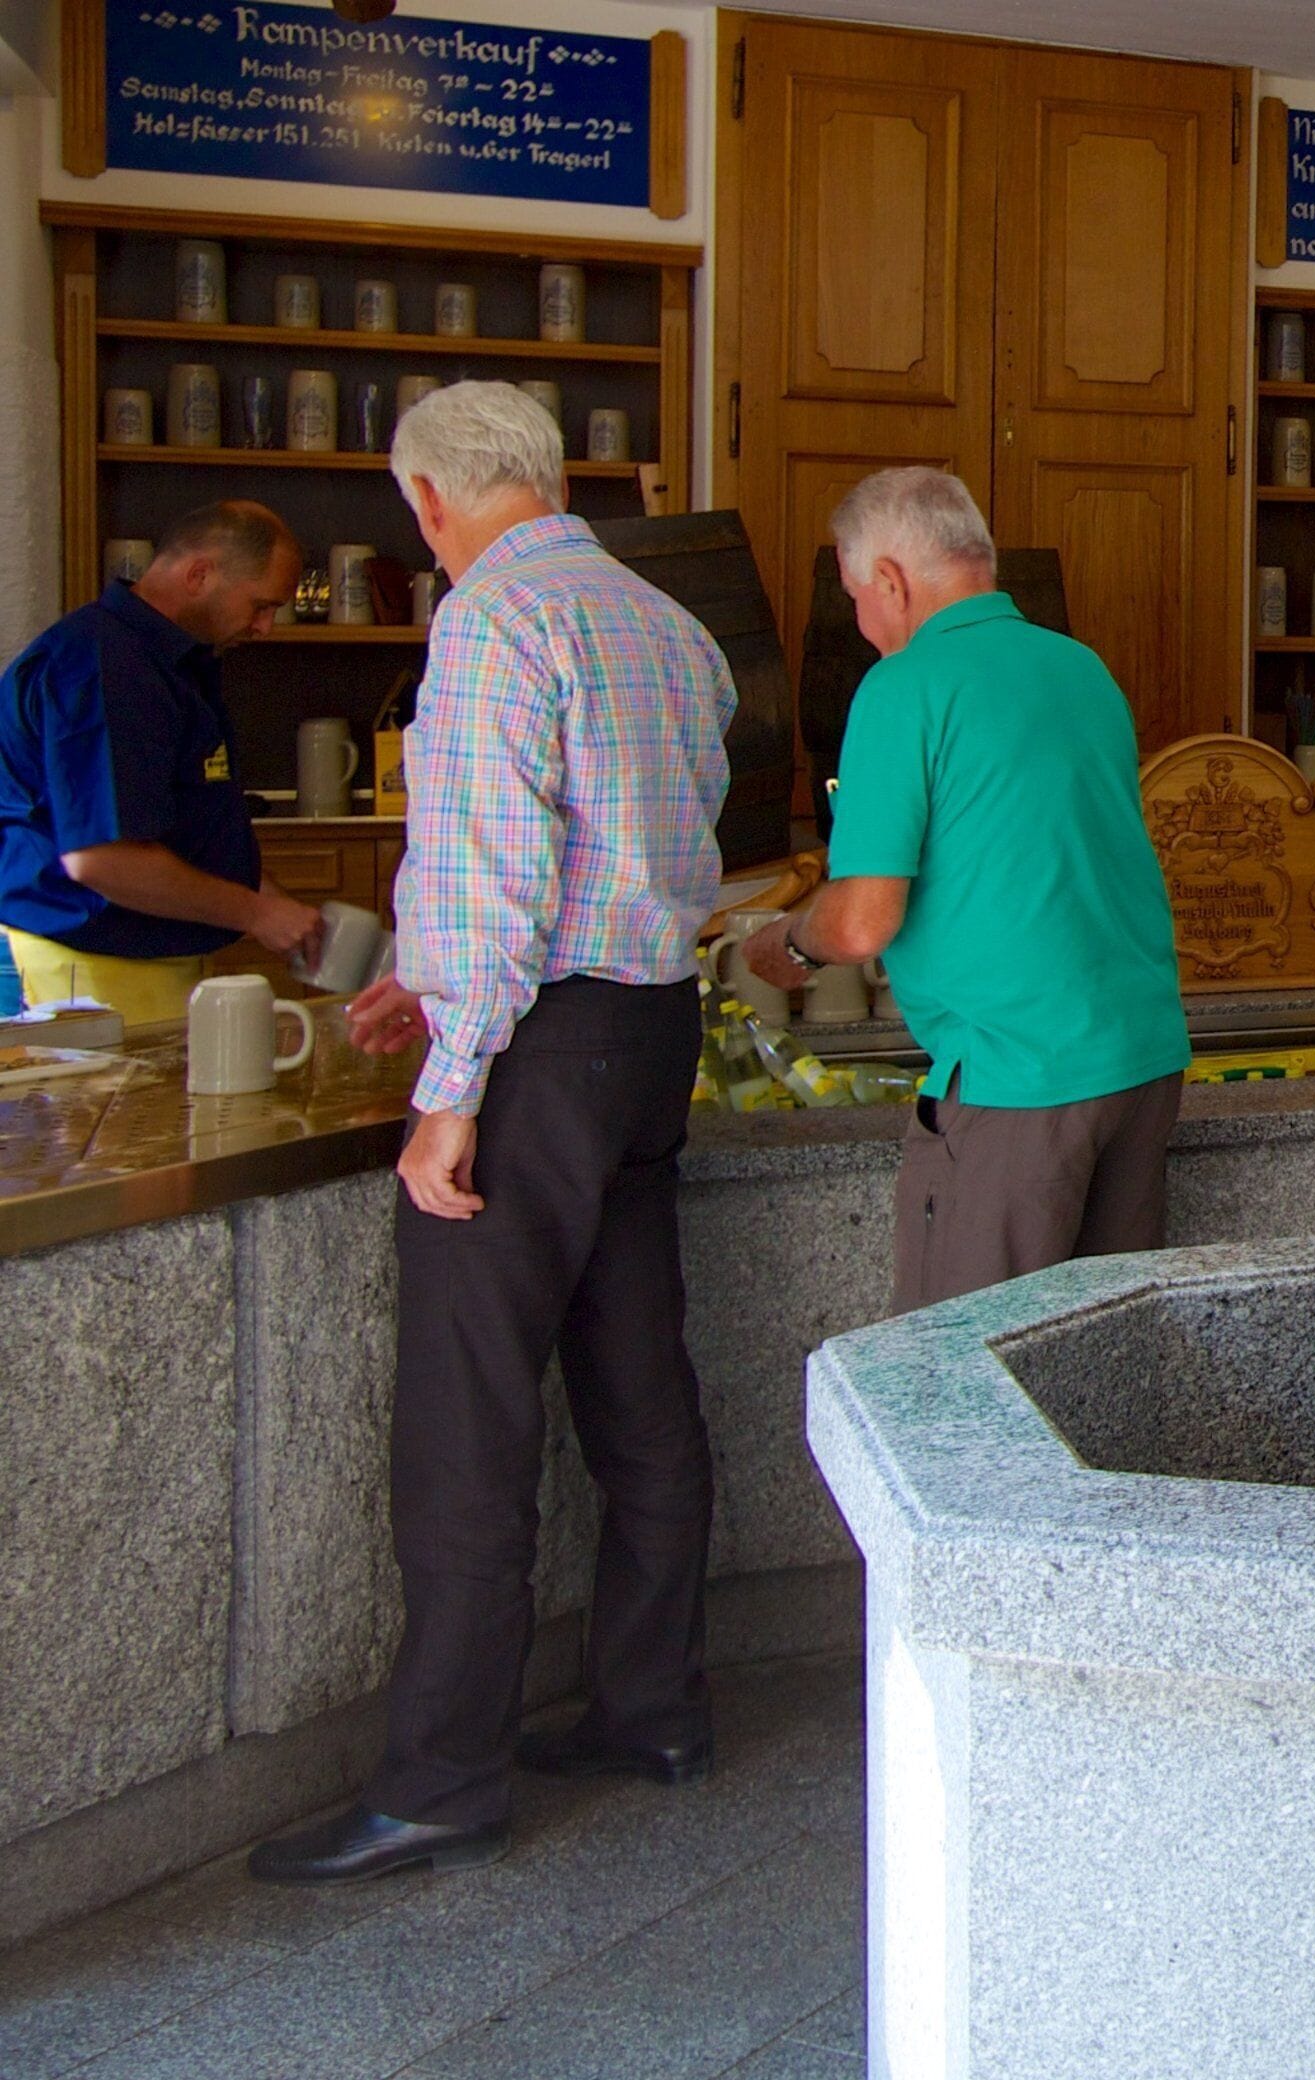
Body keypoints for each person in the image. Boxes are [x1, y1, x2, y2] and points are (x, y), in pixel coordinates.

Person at [252, 382, 735, 1884]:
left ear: (426, 504)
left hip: (534, 1062)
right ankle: (651, 1708)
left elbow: (492, 857)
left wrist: (451, 1082)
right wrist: (437, 970)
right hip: (653, 1037)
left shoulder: (486, 623)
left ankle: (441, 1783)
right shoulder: (669, 624)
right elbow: (628, 854)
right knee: (641, 1392)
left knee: (471, 1421)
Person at [735, 469, 1187, 1312]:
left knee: (961, 1388)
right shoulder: (1080, 668)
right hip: (1142, 1062)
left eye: (855, 598)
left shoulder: (905, 686)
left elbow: (865, 918)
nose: (862, 626)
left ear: (891, 582)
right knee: (1099, 1369)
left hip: (1018, 1079)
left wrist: (786, 944)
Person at [0, 500, 325, 1020]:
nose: (266, 627)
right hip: (76, 969)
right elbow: (103, 858)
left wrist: (273, 904)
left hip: (131, 963)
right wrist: (256, 911)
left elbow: (174, 834)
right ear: (199, 574)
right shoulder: (107, 668)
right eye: (261, 605)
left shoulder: (168, 664)